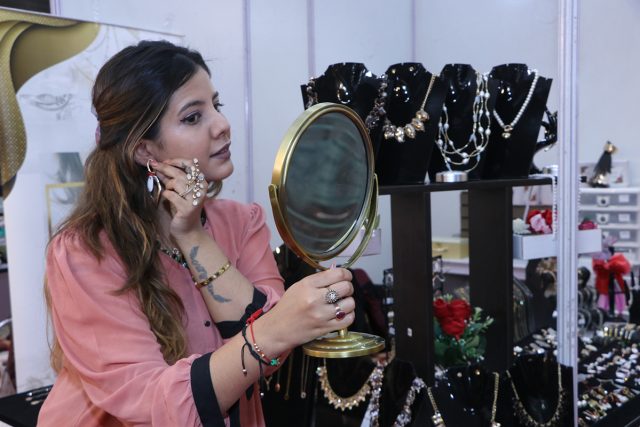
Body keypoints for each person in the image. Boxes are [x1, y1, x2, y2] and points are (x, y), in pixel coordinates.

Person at [38, 40, 355, 427]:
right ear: (144, 151)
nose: (222, 125)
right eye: (193, 117)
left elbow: (271, 359)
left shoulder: (241, 223)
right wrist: (275, 329)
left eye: (216, 106)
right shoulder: (85, 252)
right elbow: (147, 401)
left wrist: (191, 234)